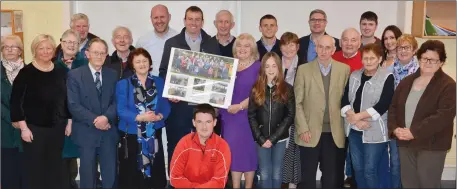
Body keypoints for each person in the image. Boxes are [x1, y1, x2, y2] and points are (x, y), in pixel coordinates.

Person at [159, 5, 220, 171]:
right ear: (185, 21)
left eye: (197, 19)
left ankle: (202, 180)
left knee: (203, 146)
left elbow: (218, 75)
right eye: (190, 19)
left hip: (204, 107)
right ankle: (176, 179)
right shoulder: (172, 43)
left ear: (202, 22)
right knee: (177, 144)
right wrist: (171, 91)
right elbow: (163, 71)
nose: (193, 23)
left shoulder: (212, 43)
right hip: (179, 105)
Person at [388, 40, 456, 188]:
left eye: (433, 60)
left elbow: (443, 116)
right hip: (405, 143)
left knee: (428, 184)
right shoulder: (406, 82)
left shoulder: (448, 85)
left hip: (432, 145)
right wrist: (395, 129)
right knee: (409, 184)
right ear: (419, 59)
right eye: (424, 58)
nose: (428, 63)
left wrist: (414, 131)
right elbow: (393, 108)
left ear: (441, 62)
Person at [10, 34, 71, 189]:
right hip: (33, 129)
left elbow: (67, 99)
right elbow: (16, 103)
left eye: (49, 48)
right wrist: (24, 128)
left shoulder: (60, 71)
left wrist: (69, 121)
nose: (45, 51)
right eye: (41, 48)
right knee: (35, 169)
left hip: (57, 128)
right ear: (34, 51)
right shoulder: (26, 73)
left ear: (54, 51)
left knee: (55, 169)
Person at [294, 35, 350, 189]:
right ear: (315, 48)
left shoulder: (344, 70)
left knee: (331, 179)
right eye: (320, 47)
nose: (323, 51)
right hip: (309, 132)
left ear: (333, 50)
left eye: (327, 48)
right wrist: (303, 128)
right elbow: (297, 102)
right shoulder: (303, 70)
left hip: (334, 132)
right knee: (307, 179)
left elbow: (347, 101)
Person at [341, 43, 394, 189]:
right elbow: (345, 99)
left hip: (375, 130)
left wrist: (358, 117)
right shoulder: (354, 75)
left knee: (370, 170)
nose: (368, 61)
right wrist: (354, 119)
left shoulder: (387, 77)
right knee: (358, 170)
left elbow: (383, 105)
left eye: (372, 58)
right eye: (366, 58)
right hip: (354, 130)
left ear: (379, 59)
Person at [67, 38, 118, 189]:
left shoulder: (112, 74)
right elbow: (73, 105)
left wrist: (106, 118)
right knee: (88, 176)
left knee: (110, 174)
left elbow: (117, 101)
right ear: (87, 53)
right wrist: (96, 120)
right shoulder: (75, 75)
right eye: (95, 52)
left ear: (107, 55)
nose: (99, 56)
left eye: (102, 53)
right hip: (86, 131)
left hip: (108, 131)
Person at [116, 48, 171, 189]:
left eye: (144, 61)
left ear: (150, 63)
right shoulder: (123, 84)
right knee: (132, 174)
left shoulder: (159, 82)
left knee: (155, 171)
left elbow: (166, 105)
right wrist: (140, 117)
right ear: (132, 65)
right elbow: (121, 109)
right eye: (138, 61)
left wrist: (159, 116)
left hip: (154, 132)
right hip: (132, 134)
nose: (142, 64)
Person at [218, 33, 260, 189]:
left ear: (253, 49)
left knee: (249, 154)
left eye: (247, 45)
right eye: (239, 45)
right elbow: (219, 90)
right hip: (229, 117)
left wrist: (240, 106)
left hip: (248, 117)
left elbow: (259, 94)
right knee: (233, 153)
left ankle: (248, 186)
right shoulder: (228, 66)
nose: (242, 49)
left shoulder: (258, 66)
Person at [248, 52, 295, 189]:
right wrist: (261, 138)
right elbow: (251, 115)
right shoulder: (256, 88)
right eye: (267, 66)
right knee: (264, 173)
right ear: (263, 68)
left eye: (274, 66)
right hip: (261, 139)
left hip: (279, 139)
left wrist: (274, 138)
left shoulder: (287, 89)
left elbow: (290, 116)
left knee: (277, 173)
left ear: (279, 67)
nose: (270, 69)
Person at [54, 29, 88, 189]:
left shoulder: (85, 64)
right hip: (56, 117)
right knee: (59, 155)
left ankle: (72, 183)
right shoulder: (52, 63)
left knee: (76, 154)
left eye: (74, 42)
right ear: (61, 43)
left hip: (79, 116)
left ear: (79, 45)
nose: (70, 45)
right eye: (67, 41)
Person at [169, 103, 231, 188]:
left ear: (215, 122)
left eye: (208, 122)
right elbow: (174, 178)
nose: (204, 127)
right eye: (199, 122)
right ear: (194, 123)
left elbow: (220, 181)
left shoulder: (222, 146)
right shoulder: (184, 143)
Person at [380, 25, 403, 189]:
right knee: (381, 158)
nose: (389, 41)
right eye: (386, 38)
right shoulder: (380, 60)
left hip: (398, 116)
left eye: (392, 37)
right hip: (381, 115)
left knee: (395, 159)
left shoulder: (406, 61)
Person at [1, 34, 26, 189]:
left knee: (27, 176)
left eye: (13, 47)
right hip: (4, 131)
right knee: (8, 176)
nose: (9, 50)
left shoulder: (30, 71)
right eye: (5, 47)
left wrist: (22, 120)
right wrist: (12, 118)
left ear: (20, 51)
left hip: (27, 131)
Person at [278, 32, 301, 188]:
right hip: (276, 114)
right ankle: (279, 181)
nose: (288, 48)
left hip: (297, 113)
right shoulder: (273, 64)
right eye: (285, 44)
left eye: (292, 45)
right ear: (280, 47)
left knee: (294, 150)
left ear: (297, 47)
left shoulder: (304, 66)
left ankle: (293, 183)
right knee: (279, 149)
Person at [136, 4, 178, 77]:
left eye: (162, 17)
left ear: (169, 17)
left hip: (172, 85)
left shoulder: (179, 39)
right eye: (155, 17)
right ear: (151, 19)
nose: (159, 21)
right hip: (149, 86)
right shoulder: (142, 41)